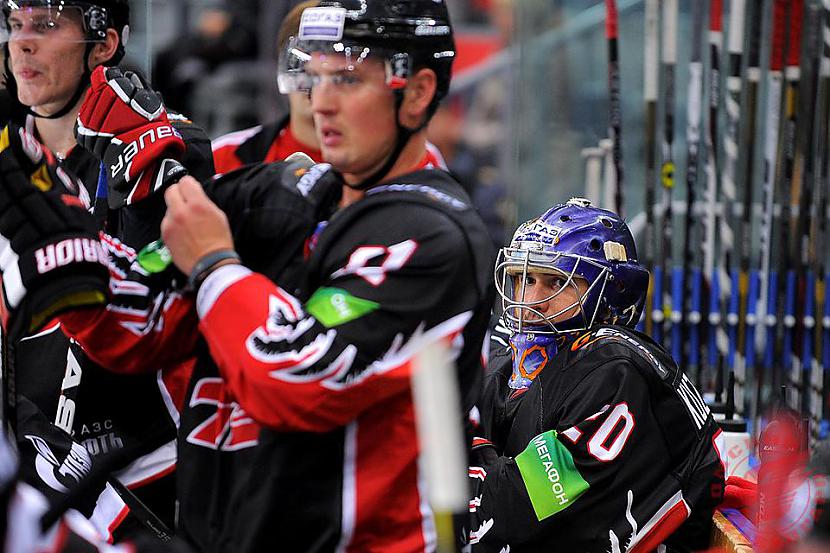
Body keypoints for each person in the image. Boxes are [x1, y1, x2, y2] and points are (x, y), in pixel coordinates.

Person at [0, 1, 493, 552]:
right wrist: (70, 254)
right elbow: (146, 322)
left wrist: (214, 265)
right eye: (312, 72)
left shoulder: (435, 239)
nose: (320, 99)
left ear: (419, 92)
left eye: (349, 79)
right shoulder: (275, 192)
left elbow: (296, 377)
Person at [0, 0, 213, 538]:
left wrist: (147, 185)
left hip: (145, 479)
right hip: (33, 459)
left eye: (46, 26)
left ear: (104, 43)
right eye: (16, 25)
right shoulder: (10, 161)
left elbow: (166, 293)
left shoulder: (171, 145)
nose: (22, 42)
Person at [468, 198, 726, 552]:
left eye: (556, 282)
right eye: (523, 278)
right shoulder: (507, 352)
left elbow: (508, 510)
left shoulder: (616, 371)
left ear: (609, 296)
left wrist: (471, 456)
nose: (531, 299)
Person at [210, 0, 322, 173]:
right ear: (283, 65)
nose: (314, 83)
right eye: (300, 64)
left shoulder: (375, 163)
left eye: (337, 75)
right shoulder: (223, 157)